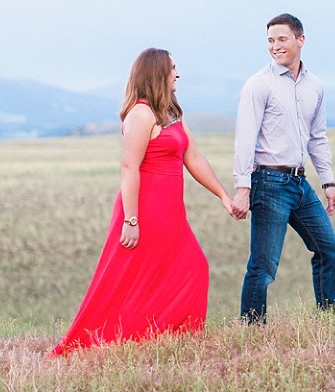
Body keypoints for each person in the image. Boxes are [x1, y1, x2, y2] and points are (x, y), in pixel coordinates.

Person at [51, 48, 238, 355]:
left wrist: (223, 195)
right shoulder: (141, 114)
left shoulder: (172, 112)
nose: (177, 74)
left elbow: (193, 157)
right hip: (143, 210)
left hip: (171, 212)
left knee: (191, 269)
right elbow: (129, 167)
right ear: (157, 72)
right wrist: (131, 220)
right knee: (128, 280)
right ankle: (118, 339)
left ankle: (169, 337)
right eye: (173, 68)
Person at [233, 13, 335, 323]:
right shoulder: (258, 84)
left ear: (300, 40)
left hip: (299, 183)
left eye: (282, 39)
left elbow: (317, 138)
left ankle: (330, 321)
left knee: (329, 249)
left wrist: (328, 182)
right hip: (267, 182)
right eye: (270, 40)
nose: (275, 46)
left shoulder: (315, 85)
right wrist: (243, 188)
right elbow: (245, 138)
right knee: (264, 265)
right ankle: (252, 331)